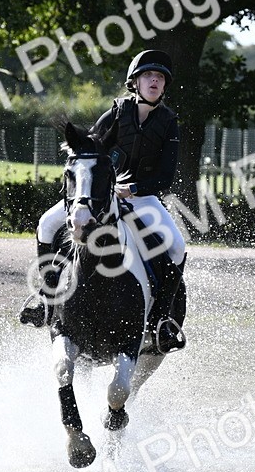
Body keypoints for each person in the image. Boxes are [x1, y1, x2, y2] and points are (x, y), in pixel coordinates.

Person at [19, 49, 187, 354]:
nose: (154, 80)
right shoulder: (116, 112)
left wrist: (133, 187)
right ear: (135, 82)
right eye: (148, 75)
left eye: (160, 77)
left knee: (177, 246)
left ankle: (163, 320)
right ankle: (46, 299)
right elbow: (90, 147)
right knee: (46, 224)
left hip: (142, 198)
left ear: (164, 87)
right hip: (99, 196)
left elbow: (166, 176)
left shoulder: (168, 122)